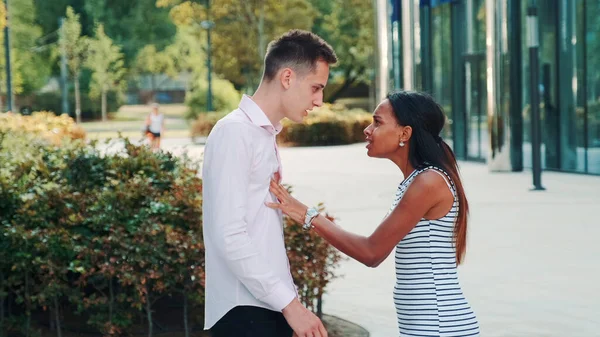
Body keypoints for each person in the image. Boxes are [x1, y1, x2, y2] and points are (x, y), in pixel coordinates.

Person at [267, 91, 480, 337]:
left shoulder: (428, 181)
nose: (367, 130)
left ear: (405, 133)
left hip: (440, 326)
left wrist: (308, 214)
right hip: (431, 325)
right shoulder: (417, 180)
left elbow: (372, 252)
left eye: (377, 122)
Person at [201, 29, 338, 337]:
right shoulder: (235, 133)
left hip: (265, 307)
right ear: (287, 77)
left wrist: (286, 302)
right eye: (316, 88)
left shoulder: (262, 133)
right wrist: (291, 305)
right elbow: (229, 235)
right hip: (244, 311)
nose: (319, 101)